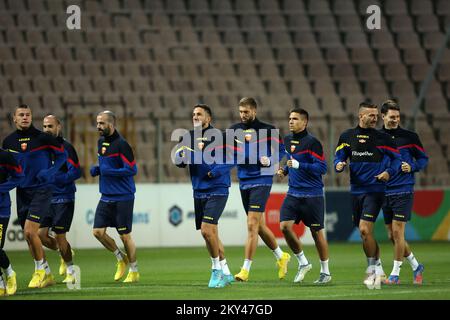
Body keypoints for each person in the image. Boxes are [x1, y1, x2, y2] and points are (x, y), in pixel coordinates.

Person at [334, 102, 401, 289]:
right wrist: (339, 164)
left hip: (375, 190)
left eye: (376, 115)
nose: (375, 118)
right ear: (361, 116)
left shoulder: (383, 138)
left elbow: (397, 160)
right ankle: (378, 268)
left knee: (364, 229)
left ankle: (371, 271)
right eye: (371, 115)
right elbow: (339, 155)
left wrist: (389, 172)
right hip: (355, 191)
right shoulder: (347, 136)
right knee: (365, 234)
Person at [2, 104, 66, 288]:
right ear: (14, 118)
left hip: (42, 189)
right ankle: (47, 273)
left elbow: (62, 156)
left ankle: (38, 270)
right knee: (29, 236)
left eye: (28, 114)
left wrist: (51, 171)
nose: (25, 117)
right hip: (22, 192)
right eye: (21, 115)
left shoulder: (43, 138)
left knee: (31, 231)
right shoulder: (8, 142)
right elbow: (7, 168)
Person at [229, 97, 290, 282]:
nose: (242, 115)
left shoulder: (268, 130)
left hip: (262, 178)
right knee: (259, 226)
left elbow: (282, 151)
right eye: (240, 112)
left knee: (251, 224)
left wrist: (271, 160)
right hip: (244, 180)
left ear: (254, 111)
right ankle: (281, 256)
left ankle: (245, 270)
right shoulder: (233, 130)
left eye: (246, 112)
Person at [174, 104, 234, 288]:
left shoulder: (221, 136)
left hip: (217, 188)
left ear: (208, 119)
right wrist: (180, 157)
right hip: (199, 190)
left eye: (199, 114)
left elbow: (231, 160)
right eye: (193, 114)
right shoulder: (188, 137)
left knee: (206, 230)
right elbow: (180, 163)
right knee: (212, 233)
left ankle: (216, 271)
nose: (195, 116)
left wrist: (215, 172)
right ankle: (226, 271)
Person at [277, 108, 331, 284]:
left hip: (312, 195)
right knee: (284, 226)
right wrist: (284, 170)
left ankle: (325, 272)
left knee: (316, 233)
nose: (290, 121)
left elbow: (322, 168)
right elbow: (291, 160)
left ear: (305, 122)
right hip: (293, 193)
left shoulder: (313, 143)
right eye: (290, 118)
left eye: (295, 119)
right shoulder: (287, 140)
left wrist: (300, 165)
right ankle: (303, 262)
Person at [379, 100, 428, 285]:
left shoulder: (410, 137)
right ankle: (416, 266)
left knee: (398, 233)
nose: (395, 120)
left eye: (398, 117)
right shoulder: (376, 137)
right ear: (383, 116)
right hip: (384, 191)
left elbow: (423, 158)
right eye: (392, 117)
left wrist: (413, 166)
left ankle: (395, 274)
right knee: (392, 236)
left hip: (403, 189)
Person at [90, 111, 139, 283]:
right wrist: (97, 169)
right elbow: (105, 165)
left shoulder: (122, 145)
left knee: (125, 236)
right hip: (106, 195)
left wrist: (108, 171)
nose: (98, 127)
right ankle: (121, 258)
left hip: (123, 196)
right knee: (97, 232)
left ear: (111, 124)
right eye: (97, 123)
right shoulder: (100, 142)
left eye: (102, 123)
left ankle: (134, 270)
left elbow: (132, 170)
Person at [39, 115, 81, 284]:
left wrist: (57, 178)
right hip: (46, 197)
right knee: (40, 235)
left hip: (64, 197)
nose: (47, 129)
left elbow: (76, 172)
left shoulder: (67, 148)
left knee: (60, 236)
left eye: (50, 126)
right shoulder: (42, 149)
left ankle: (71, 271)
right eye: (44, 126)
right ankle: (65, 251)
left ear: (59, 127)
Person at [0, 148, 24, 295]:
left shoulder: (5, 155)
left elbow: (19, 176)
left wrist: (1, 188)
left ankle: (10, 273)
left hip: (1, 208)